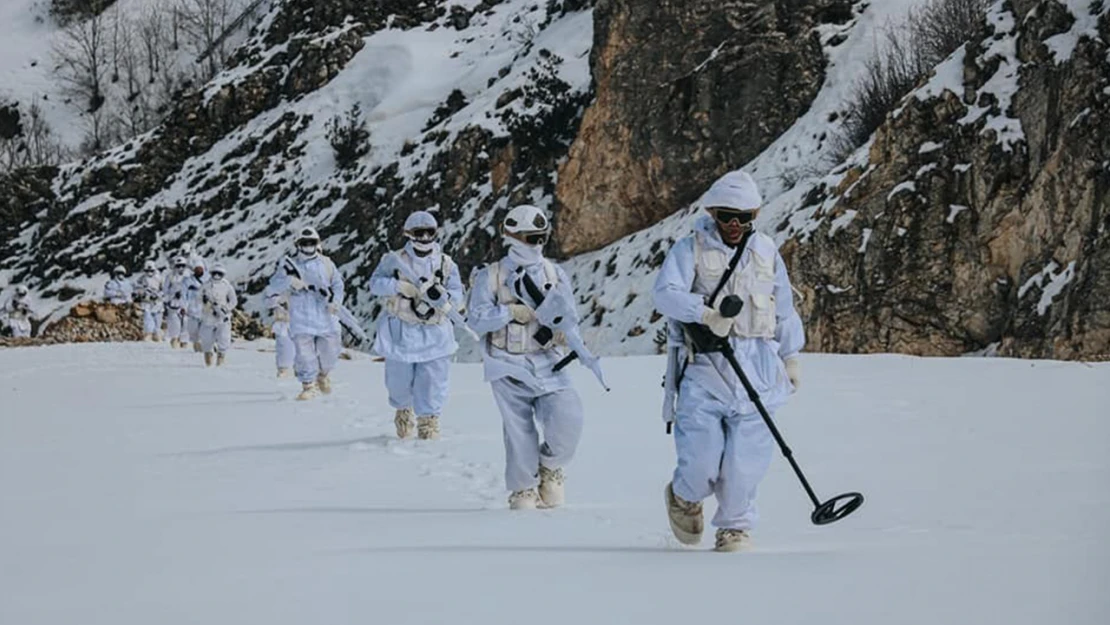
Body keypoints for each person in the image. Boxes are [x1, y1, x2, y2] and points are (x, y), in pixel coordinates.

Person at [653, 171, 804, 553]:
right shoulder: (691, 249)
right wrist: (704, 314)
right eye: (726, 217)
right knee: (702, 462)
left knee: (746, 463)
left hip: (758, 370)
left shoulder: (767, 251)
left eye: (744, 218)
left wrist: (790, 357)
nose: (734, 226)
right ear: (713, 214)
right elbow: (665, 295)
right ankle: (685, 495)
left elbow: (783, 308)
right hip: (706, 368)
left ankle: (735, 527)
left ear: (755, 215)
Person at [466, 205, 585, 510]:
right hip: (507, 363)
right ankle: (523, 488)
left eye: (541, 237)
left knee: (568, 420)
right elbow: (476, 320)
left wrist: (563, 331)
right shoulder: (491, 276)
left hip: (549, 361)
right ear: (512, 236)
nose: (536, 244)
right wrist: (508, 313)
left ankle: (550, 466)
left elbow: (570, 315)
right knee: (518, 431)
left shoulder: (554, 273)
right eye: (530, 237)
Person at [368, 211, 464, 440]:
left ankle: (428, 422)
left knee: (433, 380)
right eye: (418, 232)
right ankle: (403, 410)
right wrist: (399, 286)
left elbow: (458, 295)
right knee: (398, 381)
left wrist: (444, 298)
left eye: (429, 232)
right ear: (408, 234)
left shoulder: (446, 263)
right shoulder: (394, 260)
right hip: (401, 329)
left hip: (435, 331)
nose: (424, 237)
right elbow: (375, 284)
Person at [266, 226, 345, 401]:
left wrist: (335, 302)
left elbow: (338, 285)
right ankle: (308, 385)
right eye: (304, 242)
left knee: (331, 352)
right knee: (304, 354)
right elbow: (273, 286)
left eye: (312, 242)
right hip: (301, 316)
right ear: (298, 244)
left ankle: (323, 375)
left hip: (326, 317)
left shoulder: (327, 264)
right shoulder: (288, 265)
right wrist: (290, 281)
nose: (308, 245)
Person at [199, 264, 237, 367]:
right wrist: (205, 303)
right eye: (214, 273)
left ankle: (221, 358)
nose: (216, 276)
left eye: (219, 274)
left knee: (224, 338)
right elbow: (198, 299)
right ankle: (208, 357)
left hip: (222, 316)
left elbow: (233, 301)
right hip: (208, 316)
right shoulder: (205, 285)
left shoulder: (227, 286)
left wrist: (225, 309)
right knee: (206, 339)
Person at [163, 257, 191, 348]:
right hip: (174, 303)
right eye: (178, 266)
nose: (180, 268)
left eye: (182, 266)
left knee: (186, 323)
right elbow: (165, 291)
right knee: (175, 323)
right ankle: (174, 340)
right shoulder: (170, 277)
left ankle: (184, 342)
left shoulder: (189, 276)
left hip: (186, 303)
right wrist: (172, 297)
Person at [134, 260, 164, 342]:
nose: (149, 272)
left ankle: (157, 334)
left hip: (157, 302)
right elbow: (136, 288)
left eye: (151, 271)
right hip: (146, 302)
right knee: (148, 319)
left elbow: (164, 290)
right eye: (147, 271)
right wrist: (142, 294)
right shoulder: (141, 279)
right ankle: (149, 334)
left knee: (158, 320)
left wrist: (157, 295)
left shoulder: (159, 278)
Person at [267, 293, 295, 378]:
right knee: (282, 347)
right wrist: (278, 300)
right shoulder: (274, 288)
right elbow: (267, 302)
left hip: (296, 322)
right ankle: (283, 369)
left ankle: (299, 368)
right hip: (281, 323)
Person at [184, 261, 208, 352]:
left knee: (206, 330)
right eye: (196, 269)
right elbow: (183, 294)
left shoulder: (208, 280)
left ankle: (207, 346)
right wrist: (183, 307)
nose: (198, 270)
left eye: (200, 268)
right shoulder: (188, 281)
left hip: (205, 309)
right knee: (193, 330)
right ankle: (196, 345)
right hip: (192, 309)